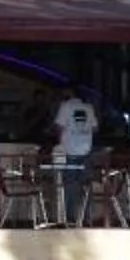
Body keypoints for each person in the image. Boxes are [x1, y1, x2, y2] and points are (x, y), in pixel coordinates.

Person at [49, 85, 98, 225]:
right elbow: (95, 128)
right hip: (86, 150)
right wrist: (83, 132)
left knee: (68, 185)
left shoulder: (65, 106)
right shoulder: (89, 107)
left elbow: (58, 126)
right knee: (86, 185)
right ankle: (87, 217)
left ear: (70, 91)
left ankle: (68, 218)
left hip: (69, 150)